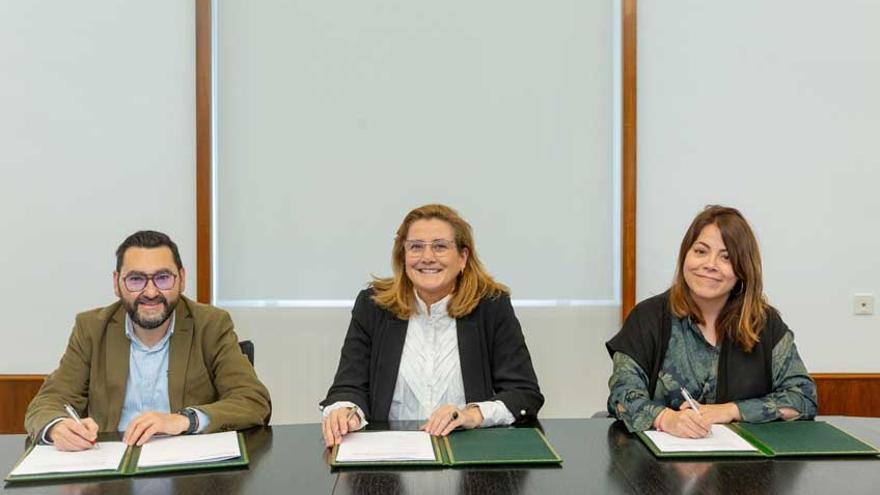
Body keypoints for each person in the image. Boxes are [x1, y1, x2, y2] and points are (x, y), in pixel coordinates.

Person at [320, 204, 543, 447]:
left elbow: (524, 394)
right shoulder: (373, 306)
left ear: (462, 258)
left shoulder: (491, 307)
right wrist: (345, 411)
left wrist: (471, 414)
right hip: (391, 457)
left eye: (440, 246)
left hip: (470, 456)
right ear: (403, 257)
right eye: (416, 247)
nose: (427, 257)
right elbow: (348, 386)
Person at [25, 231, 272, 451]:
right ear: (116, 282)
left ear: (182, 279)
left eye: (163, 278)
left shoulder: (211, 325)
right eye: (136, 279)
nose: (151, 292)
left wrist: (183, 420)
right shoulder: (91, 328)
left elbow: (253, 400)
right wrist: (57, 427)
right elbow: (47, 402)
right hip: (112, 472)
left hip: (189, 470)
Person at [606, 205, 817, 438]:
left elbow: (803, 398)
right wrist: (667, 419)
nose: (710, 264)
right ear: (685, 255)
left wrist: (730, 411)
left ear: (742, 270)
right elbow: (622, 395)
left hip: (744, 468)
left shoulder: (764, 324)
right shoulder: (648, 317)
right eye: (700, 251)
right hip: (656, 466)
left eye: (726, 257)